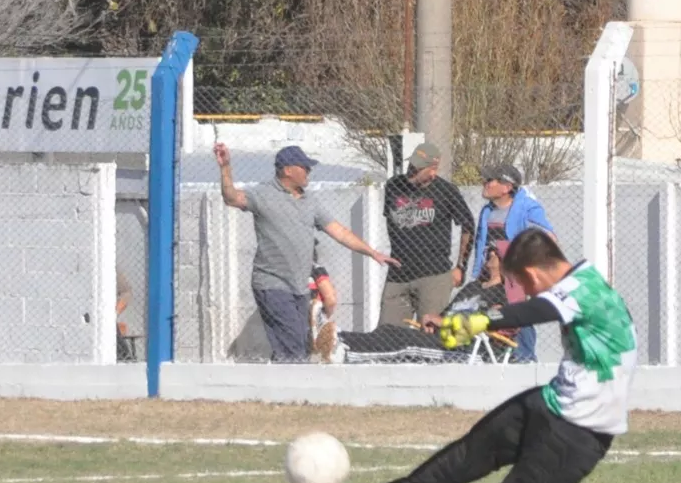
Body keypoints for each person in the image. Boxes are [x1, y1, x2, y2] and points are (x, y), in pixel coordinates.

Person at [298, 228, 638, 483]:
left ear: (532, 272)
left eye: (519, 282)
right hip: (549, 404)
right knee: (455, 461)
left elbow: (534, 312)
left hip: (580, 436)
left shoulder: (585, 290)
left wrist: (478, 320)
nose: (521, 291)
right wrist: (456, 323)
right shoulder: (576, 284)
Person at [216, 142, 398, 362]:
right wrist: (225, 167)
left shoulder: (310, 201)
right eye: (305, 167)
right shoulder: (263, 194)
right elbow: (231, 197)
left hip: (300, 287)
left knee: (300, 344)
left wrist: (372, 252)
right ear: (288, 170)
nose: (309, 172)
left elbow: (339, 232)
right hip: (271, 284)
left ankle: (282, 390)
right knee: (292, 343)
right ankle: (290, 391)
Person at [321, 242, 508, 364]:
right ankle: (339, 337)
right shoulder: (474, 287)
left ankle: (345, 352)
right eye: (488, 251)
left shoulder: (503, 293)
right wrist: (433, 320)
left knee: (407, 343)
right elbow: (445, 315)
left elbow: (491, 320)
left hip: (464, 348)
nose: (488, 255)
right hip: (440, 337)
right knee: (389, 330)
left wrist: (444, 323)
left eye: (494, 253)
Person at [379, 143, 475, 328]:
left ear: (432, 170)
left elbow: (468, 226)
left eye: (417, 168)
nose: (411, 171)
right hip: (398, 274)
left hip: (433, 276)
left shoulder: (446, 191)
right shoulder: (393, 186)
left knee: (431, 335)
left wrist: (460, 267)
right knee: (387, 333)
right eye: (411, 166)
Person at [471, 163, 554, 363]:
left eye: (490, 180)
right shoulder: (487, 211)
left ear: (507, 186)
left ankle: (526, 358)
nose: (485, 183)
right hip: (492, 273)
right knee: (492, 314)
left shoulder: (527, 208)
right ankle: (495, 356)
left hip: (516, 274)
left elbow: (548, 237)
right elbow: (481, 241)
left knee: (519, 314)